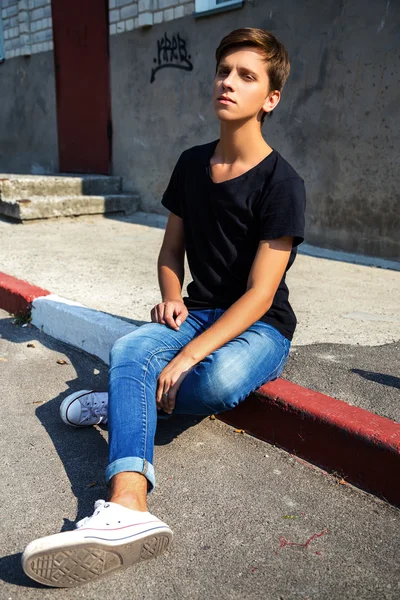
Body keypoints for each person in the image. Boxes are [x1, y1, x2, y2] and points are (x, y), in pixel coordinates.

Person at [22, 27, 306, 587]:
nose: (228, 82)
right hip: (197, 312)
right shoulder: (191, 163)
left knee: (216, 379)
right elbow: (170, 252)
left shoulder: (283, 184)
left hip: (260, 328)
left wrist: (183, 358)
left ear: (270, 98)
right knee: (131, 348)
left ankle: (120, 402)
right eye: (224, 70)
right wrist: (172, 296)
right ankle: (128, 506)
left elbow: (259, 294)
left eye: (247, 76)